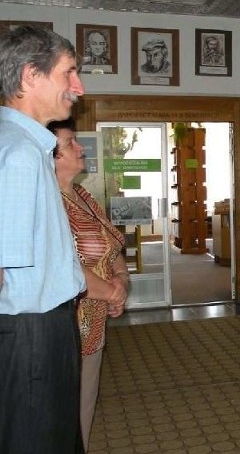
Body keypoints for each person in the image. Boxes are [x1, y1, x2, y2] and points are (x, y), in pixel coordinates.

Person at [0, 26, 87, 453]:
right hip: (32, 332)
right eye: (69, 73)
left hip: (34, 328)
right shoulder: (18, 154)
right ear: (31, 76)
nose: (79, 87)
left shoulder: (24, 146)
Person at [49, 118, 129, 450]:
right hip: (64, 324)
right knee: (59, 413)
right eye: (70, 144)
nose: (80, 147)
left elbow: (113, 245)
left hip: (94, 322)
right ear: (50, 156)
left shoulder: (82, 195)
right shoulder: (48, 202)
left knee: (85, 405)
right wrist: (111, 291)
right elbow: (64, 266)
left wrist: (121, 281)